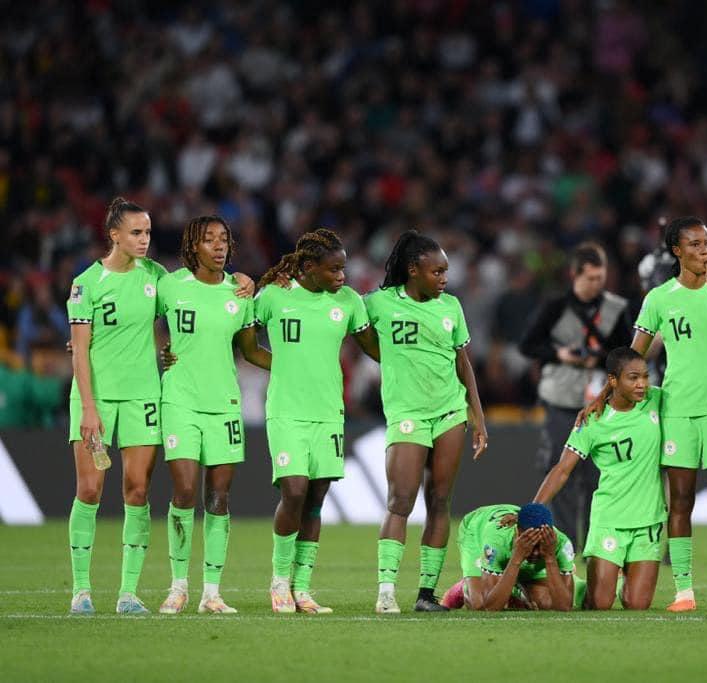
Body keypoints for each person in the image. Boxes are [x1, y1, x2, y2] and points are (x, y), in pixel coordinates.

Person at [586, 217, 707, 613]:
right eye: (696, 244)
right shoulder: (659, 299)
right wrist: (603, 393)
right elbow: (633, 358)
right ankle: (684, 592)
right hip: (678, 411)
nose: (705, 250)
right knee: (682, 502)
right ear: (677, 251)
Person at [255, 228, 379, 614]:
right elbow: (241, 341)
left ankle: (303, 588)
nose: (342, 276)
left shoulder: (349, 302)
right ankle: (279, 582)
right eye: (334, 269)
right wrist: (285, 369)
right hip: (287, 411)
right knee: (293, 491)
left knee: (315, 500)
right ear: (308, 267)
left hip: (328, 413)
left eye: (344, 268)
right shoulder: (274, 296)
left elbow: (376, 350)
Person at [367, 230, 487, 614]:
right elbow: (346, 319)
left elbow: (463, 363)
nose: (444, 279)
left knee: (439, 502)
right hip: (407, 414)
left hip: (450, 412)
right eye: (437, 272)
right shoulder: (379, 303)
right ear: (413, 270)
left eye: (445, 272)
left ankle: (425, 595)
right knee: (400, 501)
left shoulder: (451, 307)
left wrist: (478, 417)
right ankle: (386, 591)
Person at [156, 216, 271, 615]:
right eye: (209, 240)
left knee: (219, 498)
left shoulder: (240, 293)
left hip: (224, 404)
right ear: (193, 246)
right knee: (185, 491)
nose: (219, 246)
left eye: (224, 239)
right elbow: (141, 320)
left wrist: (294, 363)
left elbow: (252, 351)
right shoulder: (171, 286)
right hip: (180, 401)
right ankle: (177, 586)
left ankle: (212, 593)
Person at [66, 198, 167, 614]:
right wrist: (89, 409)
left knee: (138, 490)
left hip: (144, 395)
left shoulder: (155, 277)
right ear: (115, 235)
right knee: (90, 490)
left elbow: (194, 301)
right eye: (136, 233)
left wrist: (243, 282)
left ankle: (128, 592)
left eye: (147, 233)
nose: (144, 240)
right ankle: (81, 590)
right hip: (97, 398)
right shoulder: (86, 283)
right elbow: (79, 350)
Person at [519, 242, 632, 550]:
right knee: (563, 473)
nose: (597, 284)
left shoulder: (615, 308)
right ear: (575, 274)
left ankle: (597, 545)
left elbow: (627, 354)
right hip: (561, 401)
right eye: (591, 278)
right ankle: (568, 544)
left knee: (599, 477)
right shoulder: (555, 307)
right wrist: (560, 354)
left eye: (601, 277)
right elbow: (527, 345)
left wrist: (600, 358)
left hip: (600, 403)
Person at [536, 347, 665, 610]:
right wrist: (533, 509)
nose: (642, 384)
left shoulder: (656, 400)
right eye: (633, 378)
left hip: (649, 520)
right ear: (613, 381)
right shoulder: (593, 421)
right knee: (598, 604)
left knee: (636, 604)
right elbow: (562, 470)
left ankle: (619, 580)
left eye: (645, 377)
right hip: (610, 519)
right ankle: (585, 585)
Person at [438, 503, 578, 611]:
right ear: (517, 532)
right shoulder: (496, 541)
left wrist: (549, 557)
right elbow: (490, 608)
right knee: (478, 603)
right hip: (476, 528)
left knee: (545, 603)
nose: (535, 553)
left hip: (514, 545)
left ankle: (512, 588)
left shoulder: (562, 544)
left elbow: (564, 606)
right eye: (531, 545)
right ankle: (463, 587)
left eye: (540, 546)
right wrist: (517, 557)